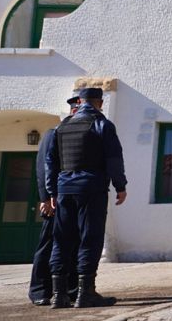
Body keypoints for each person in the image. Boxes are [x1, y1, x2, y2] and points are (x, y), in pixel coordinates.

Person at [45, 87, 128, 308]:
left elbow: (50, 162)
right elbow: (114, 159)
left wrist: (52, 192)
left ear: (80, 102)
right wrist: (121, 186)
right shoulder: (103, 125)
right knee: (90, 238)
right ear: (99, 103)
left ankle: (59, 295)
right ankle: (85, 293)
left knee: (61, 240)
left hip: (64, 190)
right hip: (91, 188)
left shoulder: (62, 126)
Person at [27, 95, 80, 306]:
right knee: (48, 244)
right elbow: (43, 168)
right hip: (54, 199)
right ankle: (40, 290)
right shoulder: (54, 133)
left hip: (73, 199)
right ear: (73, 111)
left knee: (74, 244)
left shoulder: (80, 135)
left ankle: (69, 289)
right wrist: (45, 198)